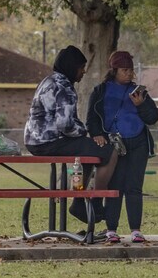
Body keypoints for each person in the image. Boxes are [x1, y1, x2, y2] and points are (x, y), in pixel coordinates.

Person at [24, 45, 118, 223]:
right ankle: (95, 202)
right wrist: (85, 132)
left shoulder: (48, 80)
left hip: (33, 140)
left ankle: (79, 199)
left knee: (86, 151)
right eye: (81, 68)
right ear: (72, 66)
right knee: (108, 151)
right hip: (50, 140)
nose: (83, 72)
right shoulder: (65, 86)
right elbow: (65, 125)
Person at [86, 50, 158, 243]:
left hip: (138, 143)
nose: (129, 74)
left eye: (131, 70)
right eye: (125, 70)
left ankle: (136, 230)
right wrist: (97, 134)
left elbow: (153, 117)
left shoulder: (139, 92)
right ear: (114, 70)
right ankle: (111, 229)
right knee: (115, 186)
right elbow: (91, 119)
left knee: (134, 187)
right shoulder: (100, 91)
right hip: (114, 145)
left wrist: (141, 104)